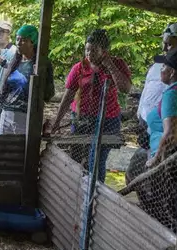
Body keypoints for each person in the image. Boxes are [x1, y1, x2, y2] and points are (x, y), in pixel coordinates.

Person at [49, 29, 131, 183]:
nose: (88, 53)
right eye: (86, 49)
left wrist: (110, 65)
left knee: (97, 159)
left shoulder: (118, 63)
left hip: (108, 120)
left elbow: (125, 88)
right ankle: (75, 187)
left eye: (93, 50)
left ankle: (95, 192)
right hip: (81, 118)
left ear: (104, 51)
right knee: (76, 157)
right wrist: (57, 121)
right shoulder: (79, 68)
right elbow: (67, 97)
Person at [140, 47, 177, 230]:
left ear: (171, 72)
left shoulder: (172, 94)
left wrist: (155, 159)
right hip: (168, 156)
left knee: (167, 205)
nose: (160, 69)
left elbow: (171, 133)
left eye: (164, 66)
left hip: (168, 161)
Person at [0, 25, 54, 135]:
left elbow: (49, 94)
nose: (18, 43)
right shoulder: (14, 61)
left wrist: (39, 77)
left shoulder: (42, 63)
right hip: (7, 113)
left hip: (26, 116)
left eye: (23, 40)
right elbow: (4, 88)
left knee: (21, 150)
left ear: (33, 42)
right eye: (17, 39)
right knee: (3, 149)